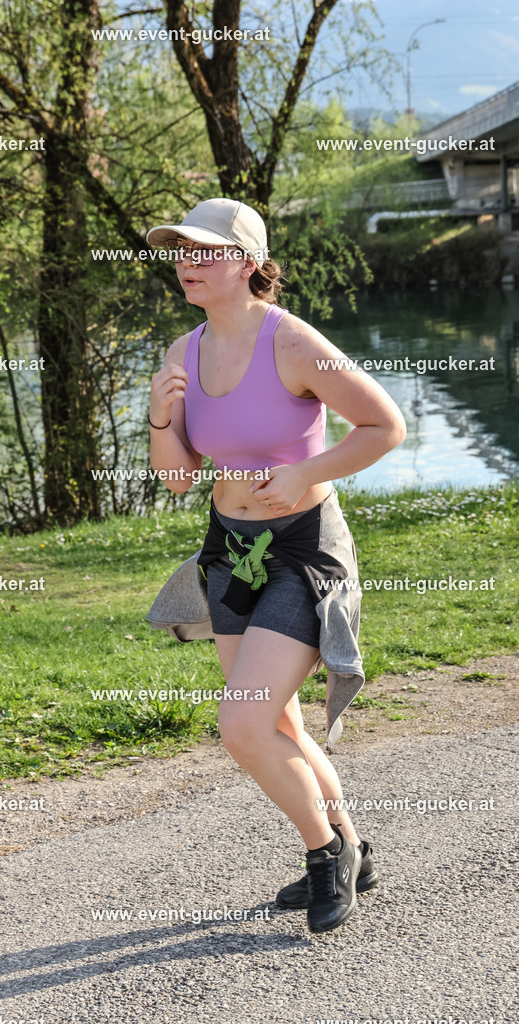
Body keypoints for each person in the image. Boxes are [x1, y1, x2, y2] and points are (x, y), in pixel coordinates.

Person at [145, 198, 406, 933]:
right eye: (181, 250)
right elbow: (176, 479)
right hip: (229, 551)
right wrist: (160, 414)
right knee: (277, 721)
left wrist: (305, 472)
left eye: (206, 250)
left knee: (243, 723)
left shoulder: (290, 341)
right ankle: (353, 849)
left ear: (249, 263)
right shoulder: (183, 350)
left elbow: (385, 425)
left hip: (302, 550)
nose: (188, 262)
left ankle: (326, 854)